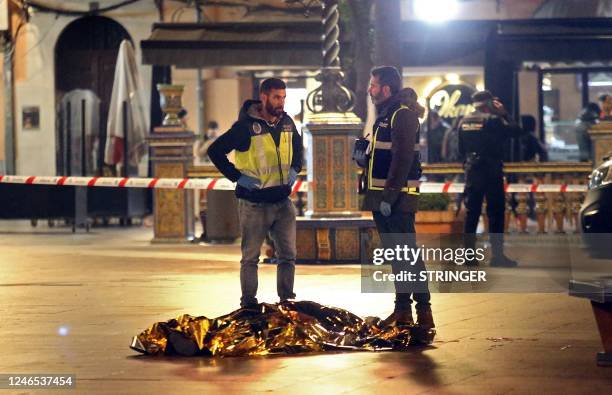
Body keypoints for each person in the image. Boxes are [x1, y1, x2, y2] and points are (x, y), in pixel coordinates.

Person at [208, 78, 303, 308]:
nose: (281, 102)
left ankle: (286, 300)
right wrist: (237, 177)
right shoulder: (245, 127)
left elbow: (298, 149)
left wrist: (295, 169)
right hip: (254, 204)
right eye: (276, 97)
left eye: (283, 97)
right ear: (263, 97)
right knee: (250, 258)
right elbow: (215, 150)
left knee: (288, 255)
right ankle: (248, 303)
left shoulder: (287, 122)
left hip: (282, 201)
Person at [354, 66, 434, 330]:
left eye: (374, 85)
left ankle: (424, 312)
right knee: (398, 257)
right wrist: (364, 156)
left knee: (407, 256)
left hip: (397, 199)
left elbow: (402, 158)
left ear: (386, 89)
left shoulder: (402, 115)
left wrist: (389, 195)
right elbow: (387, 154)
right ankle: (402, 311)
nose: (370, 89)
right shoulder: (385, 116)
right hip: (382, 197)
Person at [458, 90, 526, 267]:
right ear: (490, 104)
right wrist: (504, 114)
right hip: (492, 171)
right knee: (495, 213)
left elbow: (460, 149)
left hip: (472, 171)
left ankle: (469, 256)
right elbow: (517, 131)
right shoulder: (493, 120)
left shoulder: (463, 121)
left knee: (471, 213)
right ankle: (497, 256)